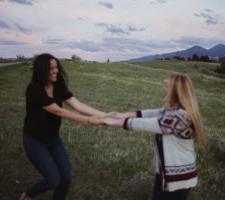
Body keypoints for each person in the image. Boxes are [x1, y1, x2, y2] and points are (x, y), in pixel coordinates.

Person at [103, 73, 207, 200]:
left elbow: (148, 124)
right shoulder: (172, 109)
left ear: (176, 91)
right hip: (169, 173)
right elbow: (151, 113)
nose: (164, 89)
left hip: (179, 178)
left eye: (167, 86)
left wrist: (112, 121)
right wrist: (122, 115)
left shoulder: (180, 116)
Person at [20, 53, 107, 200]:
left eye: (56, 67)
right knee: (53, 179)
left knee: (66, 178)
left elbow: (77, 105)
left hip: (53, 139)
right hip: (35, 142)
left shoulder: (58, 85)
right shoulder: (34, 90)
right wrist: (88, 120)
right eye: (51, 69)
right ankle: (29, 195)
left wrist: (105, 115)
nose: (55, 71)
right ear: (41, 71)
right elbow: (58, 111)